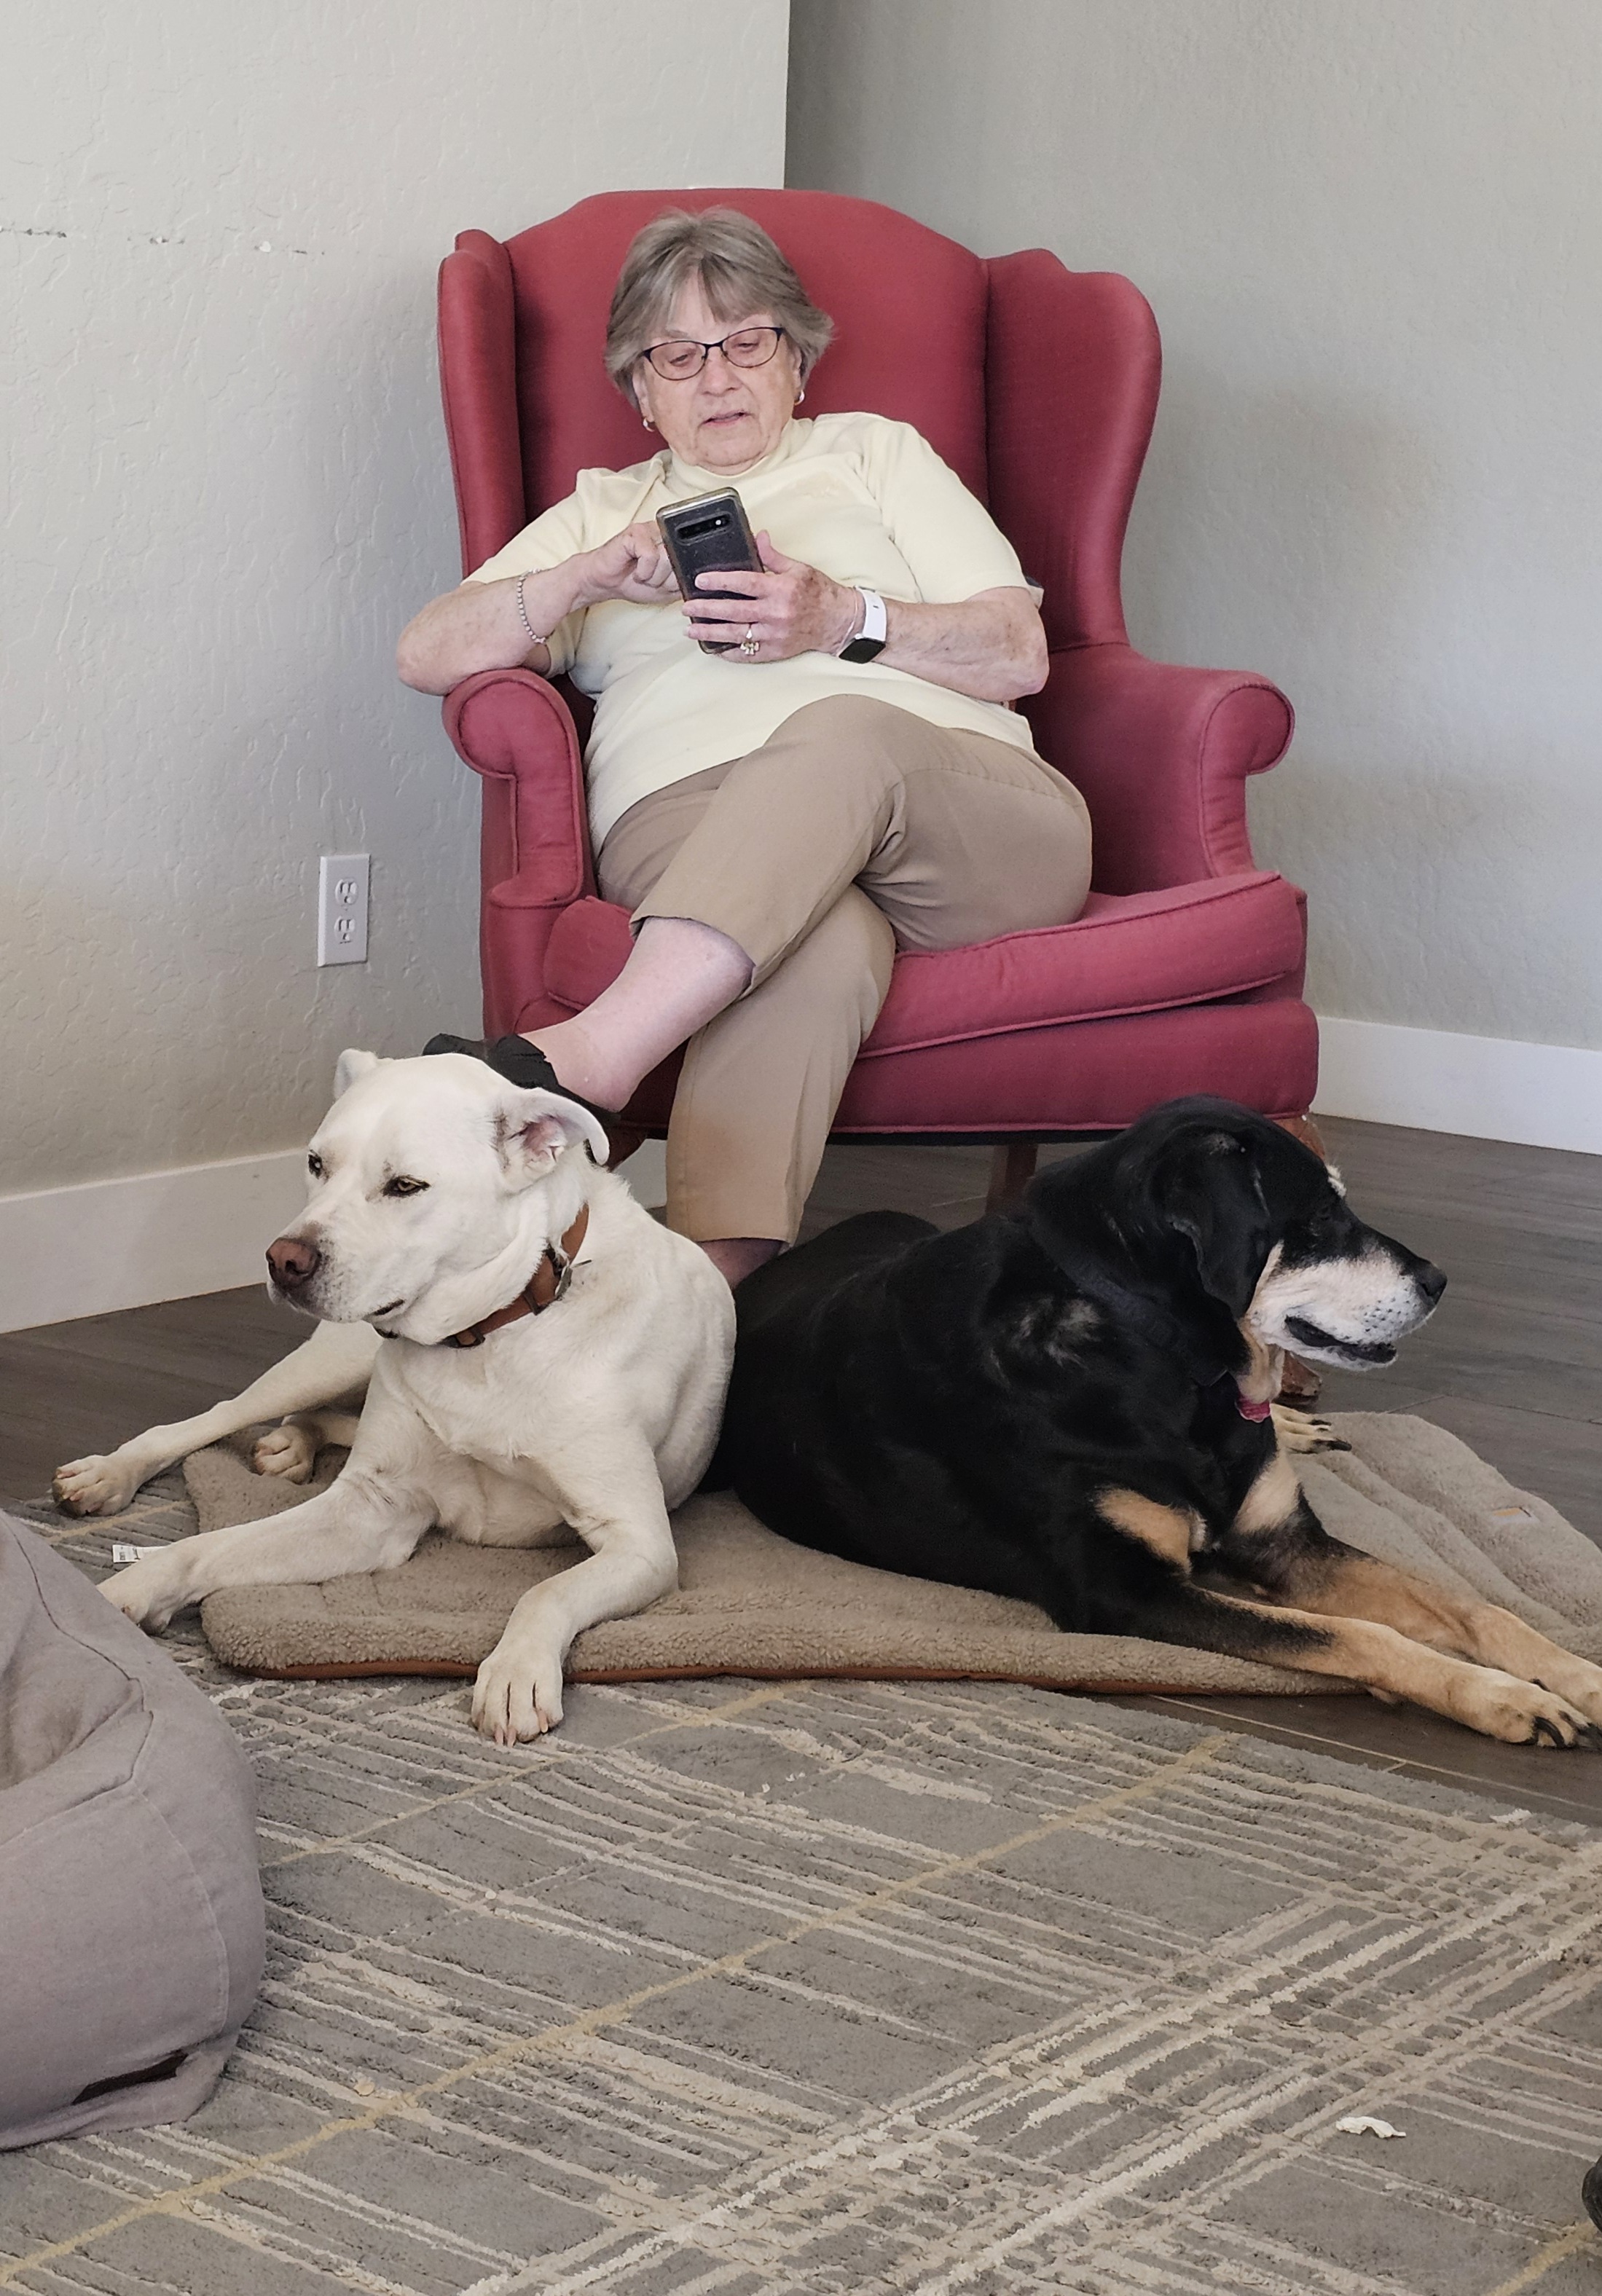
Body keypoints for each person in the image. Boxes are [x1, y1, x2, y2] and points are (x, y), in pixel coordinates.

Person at [398, 208, 1093, 1287]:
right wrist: (579, 578)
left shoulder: (876, 454)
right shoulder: (603, 512)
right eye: (678, 356)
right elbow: (427, 652)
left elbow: (1019, 653)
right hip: (695, 823)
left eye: (747, 343)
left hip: (962, 817)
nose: (717, 378)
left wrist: (842, 619)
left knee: (841, 726)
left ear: (797, 361)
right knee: (815, 939)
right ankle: (703, 1300)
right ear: (640, 391)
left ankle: (594, 1057)